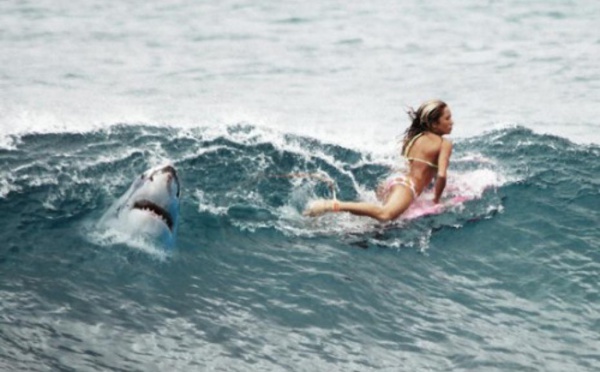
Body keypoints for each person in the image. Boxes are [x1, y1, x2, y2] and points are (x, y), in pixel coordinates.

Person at [303, 99, 454, 222]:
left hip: (394, 181)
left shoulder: (414, 138)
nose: (452, 122)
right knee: (385, 214)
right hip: (408, 187)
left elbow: (411, 165)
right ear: (434, 123)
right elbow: (441, 175)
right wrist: (436, 200)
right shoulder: (444, 143)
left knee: (377, 225)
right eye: (447, 118)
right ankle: (331, 205)